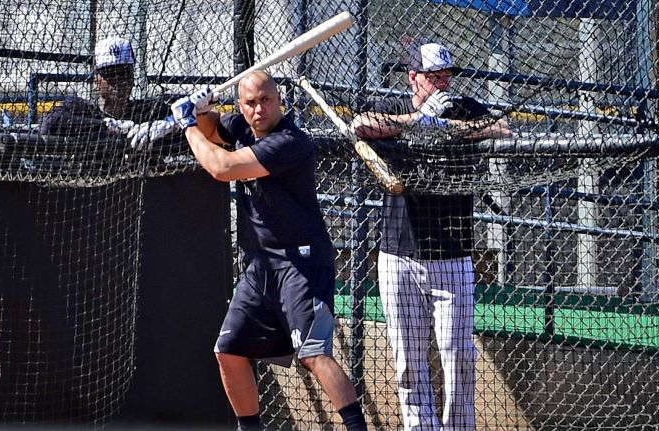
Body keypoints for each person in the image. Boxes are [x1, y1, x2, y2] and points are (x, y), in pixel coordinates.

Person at [169, 71, 368, 431]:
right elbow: (215, 128)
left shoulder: (290, 142)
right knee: (228, 351)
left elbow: (221, 167)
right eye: (251, 102)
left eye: (266, 100)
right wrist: (199, 110)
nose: (259, 109)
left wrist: (187, 125)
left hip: (302, 261)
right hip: (261, 264)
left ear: (279, 101)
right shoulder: (244, 127)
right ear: (241, 106)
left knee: (313, 354)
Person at [350, 41, 512, 431]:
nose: (441, 84)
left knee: (459, 355)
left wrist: (444, 124)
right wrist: (418, 119)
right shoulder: (394, 109)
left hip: (452, 255)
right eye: (432, 76)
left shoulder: (465, 109)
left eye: (445, 76)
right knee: (407, 360)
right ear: (413, 78)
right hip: (398, 255)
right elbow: (360, 124)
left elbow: (502, 128)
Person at [39, 36, 173, 149]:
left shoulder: (146, 110)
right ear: (96, 80)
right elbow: (50, 120)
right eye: (111, 75)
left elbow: (183, 110)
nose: (120, 81)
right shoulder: (82, 109)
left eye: (125, 73)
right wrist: (106, 126)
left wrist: (170, 124)